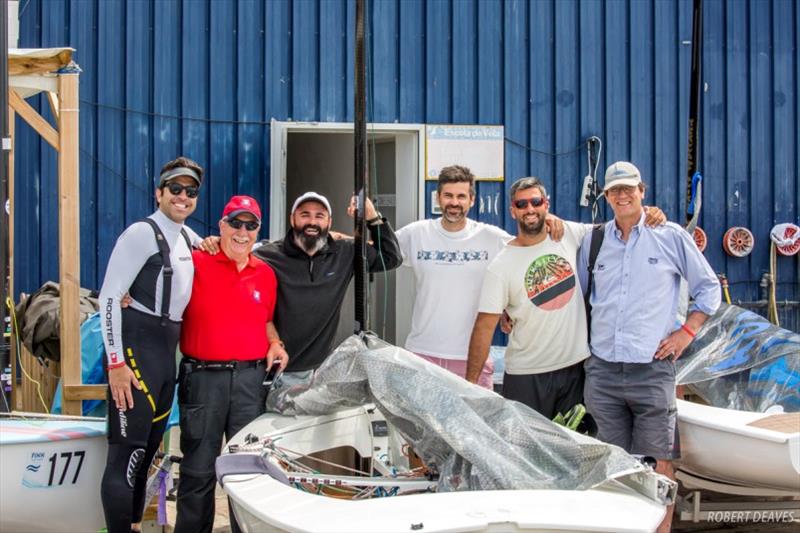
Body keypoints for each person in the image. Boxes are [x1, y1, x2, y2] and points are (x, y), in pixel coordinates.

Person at [578, 161, 720, 533]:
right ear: (606, 196)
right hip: (603, 370)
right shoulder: (593, 241)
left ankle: (659, 529)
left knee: (659, 461)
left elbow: (709, 290)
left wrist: (685, 334)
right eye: (614, 190)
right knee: (612, 461)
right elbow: (576, 297)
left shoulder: (669, 235)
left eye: (629, 188)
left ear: (642, 190)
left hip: (652, 369)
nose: (622, 195)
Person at [466, 176, 665, 420]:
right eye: (522, 204)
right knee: (524, 451)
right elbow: (484, 326)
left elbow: (618, 229)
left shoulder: (569, 233)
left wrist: (645, 213)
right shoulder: (500, 266)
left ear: (546, 204)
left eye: (536, 202)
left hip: (575, 370)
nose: (530, 209)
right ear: (513, 211)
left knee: (576, 450)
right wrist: (470, 384)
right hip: (526, 374)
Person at [98, 156, 204, 533]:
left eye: (190, 191)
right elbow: (109, 298)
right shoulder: (141, 233)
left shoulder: (191, 239)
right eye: (175, 189)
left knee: (147, 454)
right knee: (127, 455)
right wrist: (115, 364)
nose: (182, 196)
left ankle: (134, 526)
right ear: (159, 193)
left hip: (166, 356)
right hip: (136, 352)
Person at [175, 195, 288, 533]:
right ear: (221, 226)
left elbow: (264, 320)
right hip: (203, 380)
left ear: (258, 231)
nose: (242, 232)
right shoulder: (195, 261)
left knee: (248, 472)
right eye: (235, 223)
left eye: (250, 225)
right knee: (198, 471)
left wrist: (275, 342)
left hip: (250, 382)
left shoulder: (266, 273)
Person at [396, 165, 564, 389]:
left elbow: (527, 258)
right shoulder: (415, 234)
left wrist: (548, 219)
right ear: (438, 198)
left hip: (472, 358)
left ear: (472, 200)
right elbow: (372, 252)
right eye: (448, 195)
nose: (454, 202)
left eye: (461, 196)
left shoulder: (491, 238)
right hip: (422, 355)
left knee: (473, 424)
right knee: (419, 425)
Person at [252, 192, 402, 381]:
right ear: (292, 219)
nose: (312, 222)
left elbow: (390, 258)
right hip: (271, 367)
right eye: (304, 214)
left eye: (319, 216)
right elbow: (235, 256)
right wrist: (214, 242)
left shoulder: (344, 252)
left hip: (319, 370)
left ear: (329, 222)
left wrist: (373, 217)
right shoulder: (268, 256)